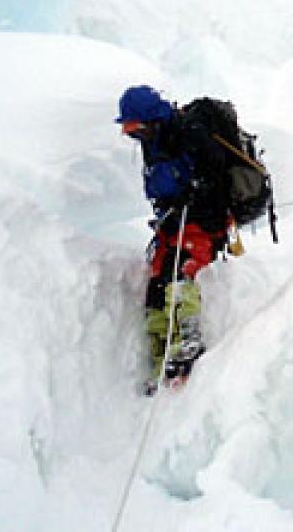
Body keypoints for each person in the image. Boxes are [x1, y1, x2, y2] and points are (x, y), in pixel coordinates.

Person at [116, 85, 230, 394]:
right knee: (156, 284)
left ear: (151, 118)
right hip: (172, 223)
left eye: (135, 128)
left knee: (180, 271)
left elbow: (217, 175)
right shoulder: (152, 139)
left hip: (203, 221)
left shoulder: (189, 132)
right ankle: (160, 357)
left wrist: (196, 194)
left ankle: (189, 341)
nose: (133, 136)